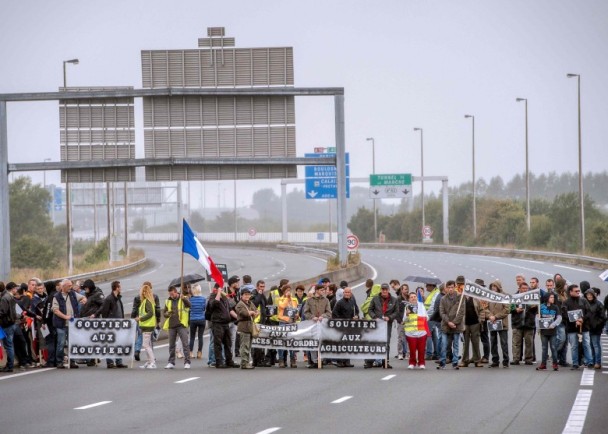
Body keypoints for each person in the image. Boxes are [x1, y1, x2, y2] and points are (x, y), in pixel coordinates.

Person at [91, 281, 127, 369]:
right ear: (117, 288)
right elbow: (103, 310)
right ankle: (110, 362)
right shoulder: (109, 299)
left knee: (119, 343)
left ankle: (119, 362)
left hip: (119, 324)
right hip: (111, 324)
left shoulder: (118, 298)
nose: (121, 288)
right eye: (120, 287)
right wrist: (96, 315)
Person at [51, 279, 86, 369]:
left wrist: (84, 300)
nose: (71, 287)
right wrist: (65, 317)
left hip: (72, 324)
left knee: (72, 343)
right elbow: (55, 310)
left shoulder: (73, 294)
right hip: (61, 324)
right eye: (69, 286)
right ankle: (59, 361)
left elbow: (82, 297)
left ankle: (72, 361)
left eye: (71, 285)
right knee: (61, 343)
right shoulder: (56, 297)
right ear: (63, 286)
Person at [479, 280, 510, 368]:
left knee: (504, 343)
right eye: (492, 286)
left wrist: (496, 316)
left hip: (502, 323)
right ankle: (495, 360)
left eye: (495, 286)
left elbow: (507, 309)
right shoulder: (489, 296)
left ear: (498, 287)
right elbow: (485, 308)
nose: (493, 288)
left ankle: (505, 360)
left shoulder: (504, 296)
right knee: (493, 342)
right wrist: (490, 316)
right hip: (492, 322)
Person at [207, 284, 239, 369]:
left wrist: (237, 317)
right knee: (218, 343)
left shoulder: (224, 298)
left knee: (228, 343)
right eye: (221, 288)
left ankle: (229, 361)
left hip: (225, 323)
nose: (223, 289)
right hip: (217, 323)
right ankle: (219, 361)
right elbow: (214, 304)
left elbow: (229, 309)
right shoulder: (213, 296)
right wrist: (218, 293)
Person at [369, 283, 399, 369]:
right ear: (381, 290)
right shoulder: (375, 299)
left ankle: (386, 361)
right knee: (376, 341)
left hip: (387, 324)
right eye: (383, 289)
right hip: (377, 323)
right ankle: (375, 360)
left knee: (386, 342)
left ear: (388, 290)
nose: (384, 291)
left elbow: (396, 312)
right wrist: (374, 317)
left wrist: (389, 317)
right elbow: (370, 309)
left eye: (386, 289)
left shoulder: (394, 300)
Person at [162, 285, 192, 369]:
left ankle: (187, 362)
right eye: (170, 294)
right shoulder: (168, 301)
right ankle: (171, 362)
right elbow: (164, 313)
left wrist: (184, 299)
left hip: (181, 324)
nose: (171, 296)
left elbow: (190, 306)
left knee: (185, 344)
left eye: (172, 294)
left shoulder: (183, 298)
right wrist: (167, 314)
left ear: (176, 292)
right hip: (172, 325)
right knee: (171, 345)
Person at [303, 284, 332, 368]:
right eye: (321, 290)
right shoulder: (309, 300)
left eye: (324, 290)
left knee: (322, 342)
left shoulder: (326, 300)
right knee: (312, 342)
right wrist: (312, 317)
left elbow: (329, 312)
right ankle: (314, 360)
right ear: (317, 291)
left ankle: (321, 360)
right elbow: (306, 312)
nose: (323, 291)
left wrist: (323, 316)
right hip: (312, 325)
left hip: (322, 325)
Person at [564, 284, 592, 370]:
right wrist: (574, 320)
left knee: (586, 344)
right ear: (570, 292)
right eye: (576, 291)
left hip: (584, 327)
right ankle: (575, 363)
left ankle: (589, 361)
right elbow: (564, 314)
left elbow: (589, 312)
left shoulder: (583, 300)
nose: (578, 292)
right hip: (572, 328)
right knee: (574, 346)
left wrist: (582, 319)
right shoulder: (566, 302)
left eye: (578, 291)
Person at [438, 280, 465, 370]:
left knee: (456, 345)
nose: (450, 289)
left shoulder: (460, 298)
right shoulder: (443, 299)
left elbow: (461, 312)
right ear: (446, 288)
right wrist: (448, 322)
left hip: (456, 325)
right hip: (446, 325)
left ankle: (455, 362)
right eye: (448, 287)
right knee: (444, 344)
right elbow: (442, 312)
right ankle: (442, 362)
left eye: (452, 287)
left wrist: (454, 322)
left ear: (455, 287)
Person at [510, 282, 537, 365]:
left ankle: (528, 359)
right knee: (516, 343)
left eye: (526, 288)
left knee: (529, 343)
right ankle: (516, 359)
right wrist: (515, 310)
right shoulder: (514, 297)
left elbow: (537, 310)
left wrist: (534, 307)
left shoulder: (532, 297)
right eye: (523, 288)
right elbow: (509, 309)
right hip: (517, 323)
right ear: (519, 288)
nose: (525, 290)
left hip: (529, 323)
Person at [331, 287, 359, 368]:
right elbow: (334, 314)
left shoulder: (352, 301)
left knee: (348, 344)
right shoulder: (339, 303)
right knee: (341, 344)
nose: (347, 294)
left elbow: (357, 311)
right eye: (345, 292)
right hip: (341, 326)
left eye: (348, 292)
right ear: (343, 293)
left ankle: (347, 361)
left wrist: (356, 316)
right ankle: (340, 361)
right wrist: (340, 322)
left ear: (351, 293)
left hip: (350, 326)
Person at [402, 291, 428, 369]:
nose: (413, 298)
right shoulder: (407, 308)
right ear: (409, 299)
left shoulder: (421, 307)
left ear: (417, 298)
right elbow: (404, 320)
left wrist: (425, 318)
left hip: (421, 331)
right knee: (412, 349)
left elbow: (427, 317)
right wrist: (406, 315)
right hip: (411, 332)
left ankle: (421, 363)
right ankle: (412, 362)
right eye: (411, 297)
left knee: (421, 349)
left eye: (414, 297)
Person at [460, 282, 483, 368]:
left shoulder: (476, 299)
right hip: (465, 324)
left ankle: (477, 360)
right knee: (465, 343)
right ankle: (465, 360)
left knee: (475, 342)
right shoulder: (461, 299)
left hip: (475, 323)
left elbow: (481, 310)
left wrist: (480, 320)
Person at [277, 284, 300, 368]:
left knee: (292, 341)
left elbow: (296, 309)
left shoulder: (294, 299)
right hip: (283, 321)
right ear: (283, 292)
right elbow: (282, 306)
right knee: (282, 341)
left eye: (289, 290)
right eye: (287, 290)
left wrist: (297, 315)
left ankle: (293, 360)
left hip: (292, 322)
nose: (288, 292)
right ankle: (281, 360)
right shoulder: (281, 299)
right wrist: (287, 298)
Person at [235, 286, 258, 369]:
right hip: (243, 327)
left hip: (250, 327)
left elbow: (255, 310)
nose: (247, 296)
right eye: (245, 295)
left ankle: (246, 362)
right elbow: (244, 313)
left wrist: (256, 313)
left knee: (249, 346)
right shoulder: (239, 304)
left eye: (248, 295)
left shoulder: (250, 303)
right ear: (241, 296)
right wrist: (251, 312)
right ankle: (244, 363)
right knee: (244, 346)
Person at [135, 283, 157, 369]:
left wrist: (141, 319)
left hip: (147, 325)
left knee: (146, 345)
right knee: (148, 344)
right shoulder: (146, 301)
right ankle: (149, 361)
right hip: (146, 325)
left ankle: (152, 361)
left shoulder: (147, 302)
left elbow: (150, 313)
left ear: (144, 292)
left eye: (141, 292)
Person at [537, 293, 561, 371]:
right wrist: (538, 327)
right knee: (544, 348)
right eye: (551, 297)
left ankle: (555, 364)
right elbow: (537, 317)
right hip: (544, 331)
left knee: (553, 347)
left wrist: (554, 324)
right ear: (547, 298)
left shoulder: (555, 307)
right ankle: (543, 364)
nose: (552, 299)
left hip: (552, 331)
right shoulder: (541, 307)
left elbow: (559, 317)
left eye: (553, 297)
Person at [0, 282, 20, 372]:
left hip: (7, 324)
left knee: (8, 345)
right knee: (10, 345)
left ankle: (10, 365)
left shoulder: (4, 298)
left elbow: (2, 311)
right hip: (12, 322)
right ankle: (9, 364)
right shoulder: (9, 296)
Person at [584, 287, 606, 369]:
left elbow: (603, 316)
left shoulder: (598, 304)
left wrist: (597, 324)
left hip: (596, 328)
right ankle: (592, 361)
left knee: (596, 345)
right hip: (587, 327)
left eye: (590, 295)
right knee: (590, 345)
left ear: (593, 295)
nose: (589, 296)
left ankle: (597, 362)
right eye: (587, 295)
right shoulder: (585, 303)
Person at [189, 284, 207, 360]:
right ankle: (199, 352)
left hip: (193, 319)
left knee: (192, 337)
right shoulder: (203, 299)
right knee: (200, 337)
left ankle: (190, 352)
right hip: (201, 319)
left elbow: (189, 309)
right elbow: (204, 309)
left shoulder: (190, 299)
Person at [424, 282, 441, 361]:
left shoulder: (435, 293)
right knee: (434, 335)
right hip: (432, 317)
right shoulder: (433, 293)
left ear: (431, 286)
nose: (426, 287)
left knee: (428, 335)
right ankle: (436, 353)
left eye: (427, 285)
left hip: (430, 317)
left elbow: (432, 306)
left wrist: (427, 316)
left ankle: (429, 353)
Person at [396, 283, 410, 360]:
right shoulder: (398, 299)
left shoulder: (409, 298)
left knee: (408, 338)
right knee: (400, 338)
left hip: (408, 322)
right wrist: (400, 320)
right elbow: (397, 311)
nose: (406, 291)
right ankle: (400, 353)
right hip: (401, 321)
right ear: (401, 290)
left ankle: (408, 354)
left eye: (407, 289)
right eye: (405, 289)